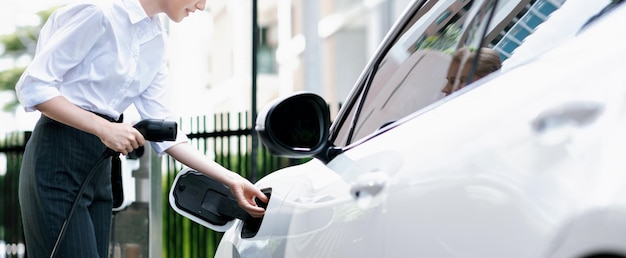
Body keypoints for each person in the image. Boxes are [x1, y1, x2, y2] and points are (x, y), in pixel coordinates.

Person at [14, 0, 268, 257]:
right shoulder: (99, 11)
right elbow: (33, 87)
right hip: (57, 159)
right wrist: (105, 128)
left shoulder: (156, 41)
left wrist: (233, 179)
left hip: (99, 169)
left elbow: (170, 135)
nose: (201, 6)